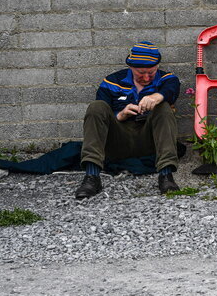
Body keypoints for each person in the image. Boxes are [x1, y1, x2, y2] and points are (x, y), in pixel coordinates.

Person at [74, 42, 181, 200]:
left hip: (150, 141)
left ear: (157, 66)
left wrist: (156, 97)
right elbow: (100, 115)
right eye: (141, 73)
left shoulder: (167, 79)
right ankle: (92, 177)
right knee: (96, 107)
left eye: (151, 73)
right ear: (130, 67)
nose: (146, 78)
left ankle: (166, 176)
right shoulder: (112, 82)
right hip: (119, 141)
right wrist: (120, 115)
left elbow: (172, 90)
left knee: (164, 107)